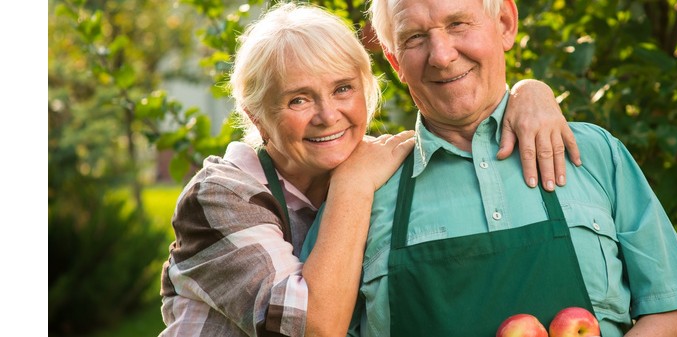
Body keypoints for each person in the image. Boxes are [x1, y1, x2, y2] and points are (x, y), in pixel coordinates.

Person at [158, 2, 580, 336]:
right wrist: (353, 187)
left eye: (343, 89)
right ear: (255, 116)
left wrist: (530, 93)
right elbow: (314, 329)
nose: (328, 116)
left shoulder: (376, 163)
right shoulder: (222, 196)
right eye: (298, 100)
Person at [303, 0, 677, 336]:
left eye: (459, 24)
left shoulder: (593, 153)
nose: (442, 56)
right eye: (415, 38)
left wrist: (532, 88)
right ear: (394, 62)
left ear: (505, 23)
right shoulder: (360, 190)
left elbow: (673, 309)